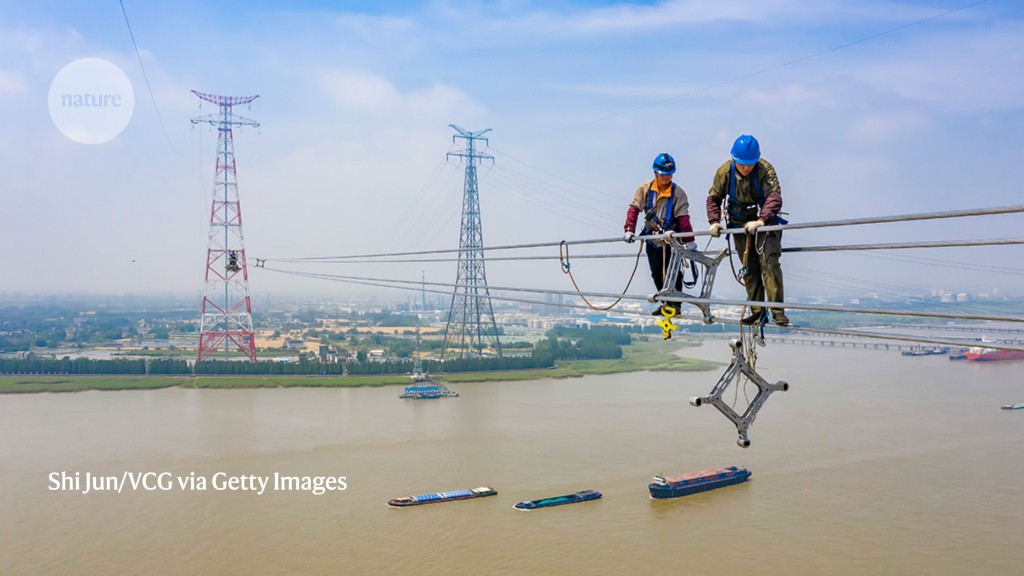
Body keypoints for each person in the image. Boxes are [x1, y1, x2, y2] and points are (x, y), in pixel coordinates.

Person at [706, 135, 788, 326]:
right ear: (734, 159)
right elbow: (713, 199)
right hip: (739, 223)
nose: (746, 168)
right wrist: (714, 221)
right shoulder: (724, 172)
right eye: (742, 164)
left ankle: (777, 311)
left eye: (750, 164)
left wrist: (761, 220)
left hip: (764, 221)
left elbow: (774, 197)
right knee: (749, 268)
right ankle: (757, 311)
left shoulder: (765, 170)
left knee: (770, 263)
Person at [623, 152, 696, 314]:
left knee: (673, 273)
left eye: (669, 174)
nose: (666, 177)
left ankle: (675, 305)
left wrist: (689, 240)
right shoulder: (645, 189)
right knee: (657, 273)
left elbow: (683, 218)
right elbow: (634, 209)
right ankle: (666, 304)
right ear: (655, 172)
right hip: (653, 240)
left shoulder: (678, 193)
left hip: (672, 241)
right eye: (663, 174)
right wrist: (629, 229)